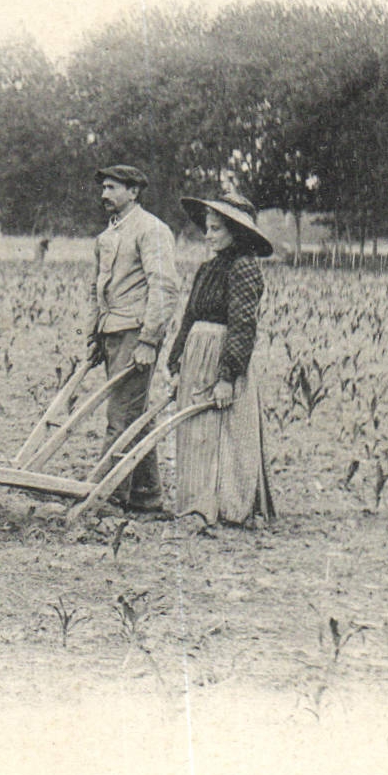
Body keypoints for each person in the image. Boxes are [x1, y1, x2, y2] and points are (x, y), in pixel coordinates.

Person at [166, 191, 276, 526]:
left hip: (222, 356)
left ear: (235, 232)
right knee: (196, 432)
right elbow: (189, 317)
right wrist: (176, 363)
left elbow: (243, 325)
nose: (208, 234)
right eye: (208, 228)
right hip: (197, 357)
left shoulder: (245, 269)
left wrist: (228, 376)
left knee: (225, 433)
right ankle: (196, 502)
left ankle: (226, 507)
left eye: (216, 229)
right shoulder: (207, 268)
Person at [86, 164, 179, 512]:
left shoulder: (151, 230)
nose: (104, 195)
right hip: (111, 334)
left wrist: (148, 340)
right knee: (135, 413)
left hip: (134, 335)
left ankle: (109, 496)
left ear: (133, 192)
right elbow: (98, 288)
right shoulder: (108, 236)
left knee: (120, 416)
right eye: (103, 188)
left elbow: (164, 286)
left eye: (112, 188)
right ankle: (146, 496)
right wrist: (94, 337)